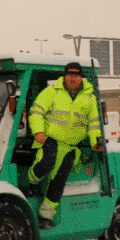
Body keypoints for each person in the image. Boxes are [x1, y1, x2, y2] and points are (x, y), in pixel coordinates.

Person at [28, 62, 102, 228]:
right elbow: (36, 111)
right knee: (47, 163)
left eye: (76, 75)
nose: (73, 78)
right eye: (70, 75)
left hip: (70, 146)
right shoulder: (52, 91)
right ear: (65, 76)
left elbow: (94, 124)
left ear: (81, 77)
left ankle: (46, 216)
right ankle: (32, 182)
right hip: (50, 139)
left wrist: (96, 143)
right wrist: (38, 131)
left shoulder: (90, 98)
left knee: (59, 180)